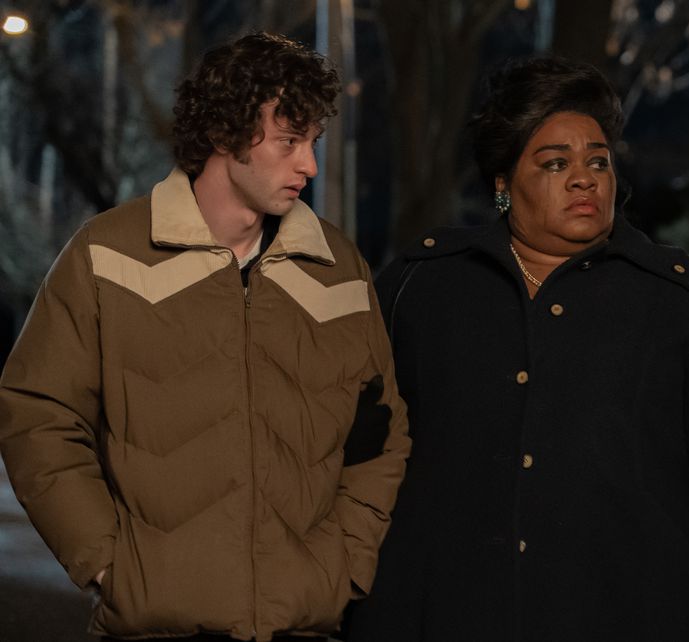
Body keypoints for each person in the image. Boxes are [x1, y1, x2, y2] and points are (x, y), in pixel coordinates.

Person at [341, 56, 689, 641]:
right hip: (442, 617)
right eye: (556, 163)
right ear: (503, 186)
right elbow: (354, 458)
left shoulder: (677, 297)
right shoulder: (422, 286)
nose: (585, 178)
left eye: (597, 161)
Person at [0, 32, 411, 641]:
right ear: (224, 133)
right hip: (155, 624)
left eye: (314, 142)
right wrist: (109, 565)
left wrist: (343, 567)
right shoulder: (108, 253)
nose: (310, 165)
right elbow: (39, 417)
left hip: (301, 624)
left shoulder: (337, 267)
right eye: (290, 141)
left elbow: (378, 438)